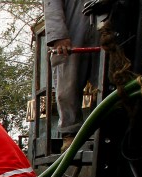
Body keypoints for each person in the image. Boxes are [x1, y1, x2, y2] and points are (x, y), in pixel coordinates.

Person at [44, 0, 98, 152]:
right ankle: (70, 133)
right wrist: (58, 35)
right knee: (68, 79)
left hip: (105, 22)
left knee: (104, 80)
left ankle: (103, 126)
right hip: (73, 25)